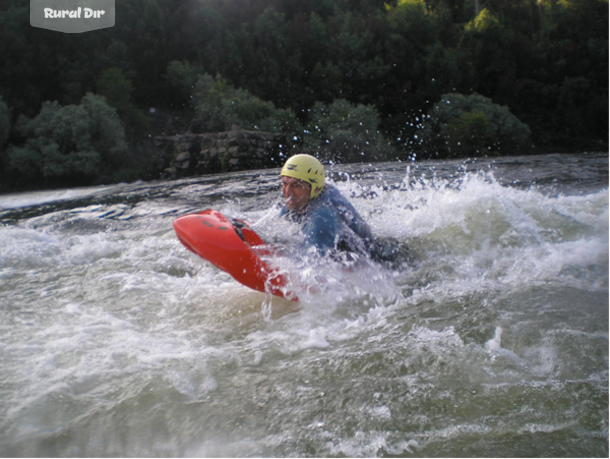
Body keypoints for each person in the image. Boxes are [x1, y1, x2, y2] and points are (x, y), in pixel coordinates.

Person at [279, 154, 375, 258]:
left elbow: (313, 265)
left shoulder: (321, 217)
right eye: (284, 183)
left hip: (370, 260)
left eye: (296, 185)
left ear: (315, 189)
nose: (287, 191)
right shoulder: (297, 201)